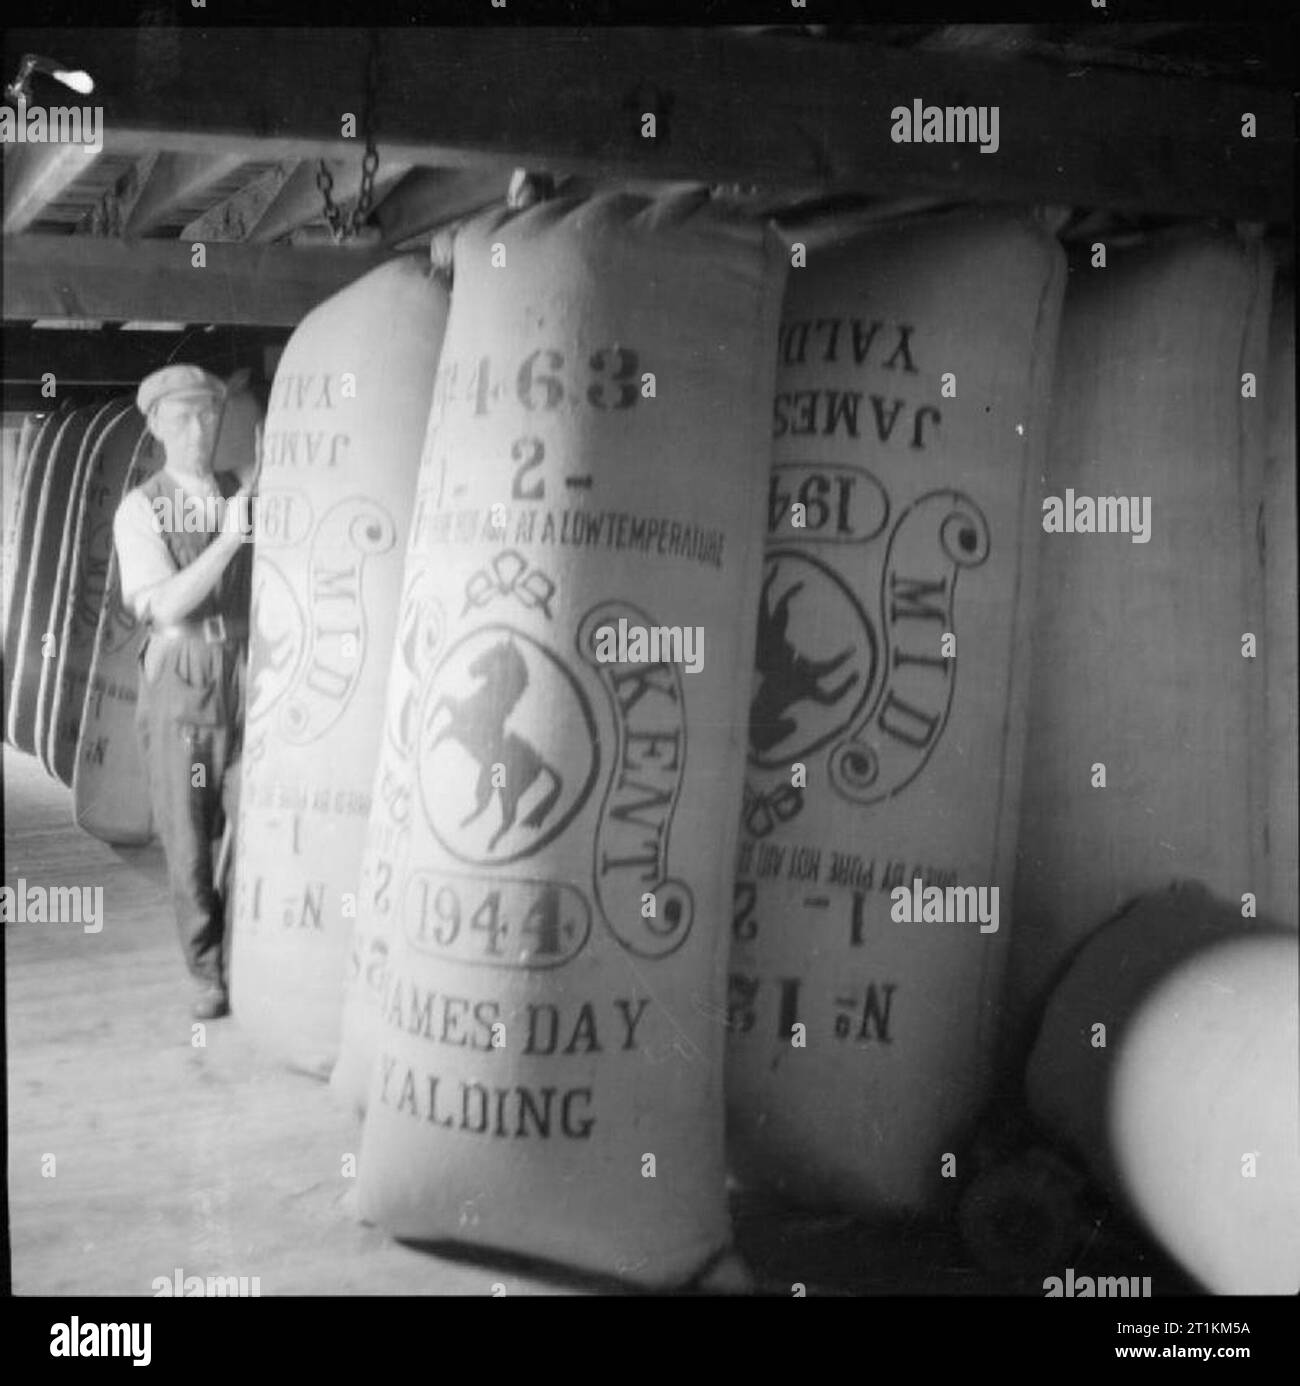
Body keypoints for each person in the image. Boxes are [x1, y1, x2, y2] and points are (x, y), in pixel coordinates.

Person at [112, 365, 259, 1020]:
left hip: (246, 671)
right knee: (191, 832)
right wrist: (232, 538)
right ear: (156, 427)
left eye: (206, 415)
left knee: (257, 816)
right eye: (180, 418)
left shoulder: (240, 490)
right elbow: (166, 602)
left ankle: (253, 956)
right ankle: (206, 970)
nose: (196, 429)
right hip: (182, 676)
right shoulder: (140, 508)